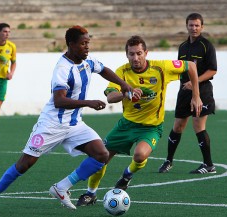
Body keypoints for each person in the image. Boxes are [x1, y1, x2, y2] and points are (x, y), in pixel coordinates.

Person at [0, 25, 133, 214]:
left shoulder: (87, 61)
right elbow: (59, 100)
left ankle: (62, 187)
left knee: (101, 155)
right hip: (51, 125)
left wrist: (123, 84)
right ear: (71, 44)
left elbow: (103, 69)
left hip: (74, 125)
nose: (87, 47)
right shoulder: (62, 68)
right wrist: (88, 102)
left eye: (88, 42)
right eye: (83, 43)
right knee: (24, 164)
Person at [76, 35, 203, 206]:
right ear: (126, 55)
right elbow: (111, 98)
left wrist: (196, 96)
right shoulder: (121, 72)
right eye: (131, 54)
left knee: (140, 154)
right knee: (101, 158)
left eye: (139, 53)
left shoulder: (161, 68)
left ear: (146, 53)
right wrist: (126, 92)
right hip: (126, 125)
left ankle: (127, 176)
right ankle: (90, 194)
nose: (135, 58)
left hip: (151, 126)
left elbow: (192, 66)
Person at [158, 13, 217, 174]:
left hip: (202, 91)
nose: (194, 28)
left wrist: (195, 81)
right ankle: (168, 161)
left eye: (197, 25)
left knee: (198, 125)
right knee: (177, 126)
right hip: (184, 91)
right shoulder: (183, 47)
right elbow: (180, 68)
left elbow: (212, 70)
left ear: (202, 27)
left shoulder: (206, 46)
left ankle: (209, 165)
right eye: (191, 25)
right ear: (187, 26)